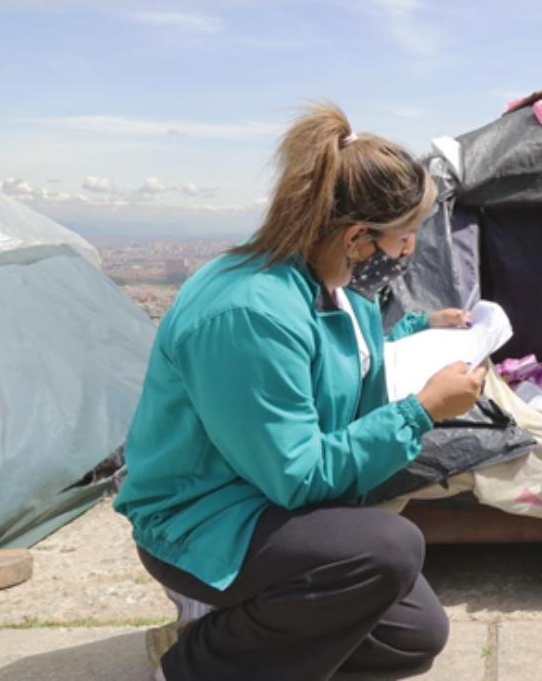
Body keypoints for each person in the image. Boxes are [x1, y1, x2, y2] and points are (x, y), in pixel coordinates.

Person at [113, 103, 486, 680]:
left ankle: (243, 636)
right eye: (405, 236)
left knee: (416, 637)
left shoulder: (336, 281)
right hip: (205, 521)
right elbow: (296, 476)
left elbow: (350, 351)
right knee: (389, 548)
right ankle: (190, 662)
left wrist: (422, 328)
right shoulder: (249, 314)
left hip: (264, 501)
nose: (410, 251)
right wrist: (421, 411)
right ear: (359, 235)